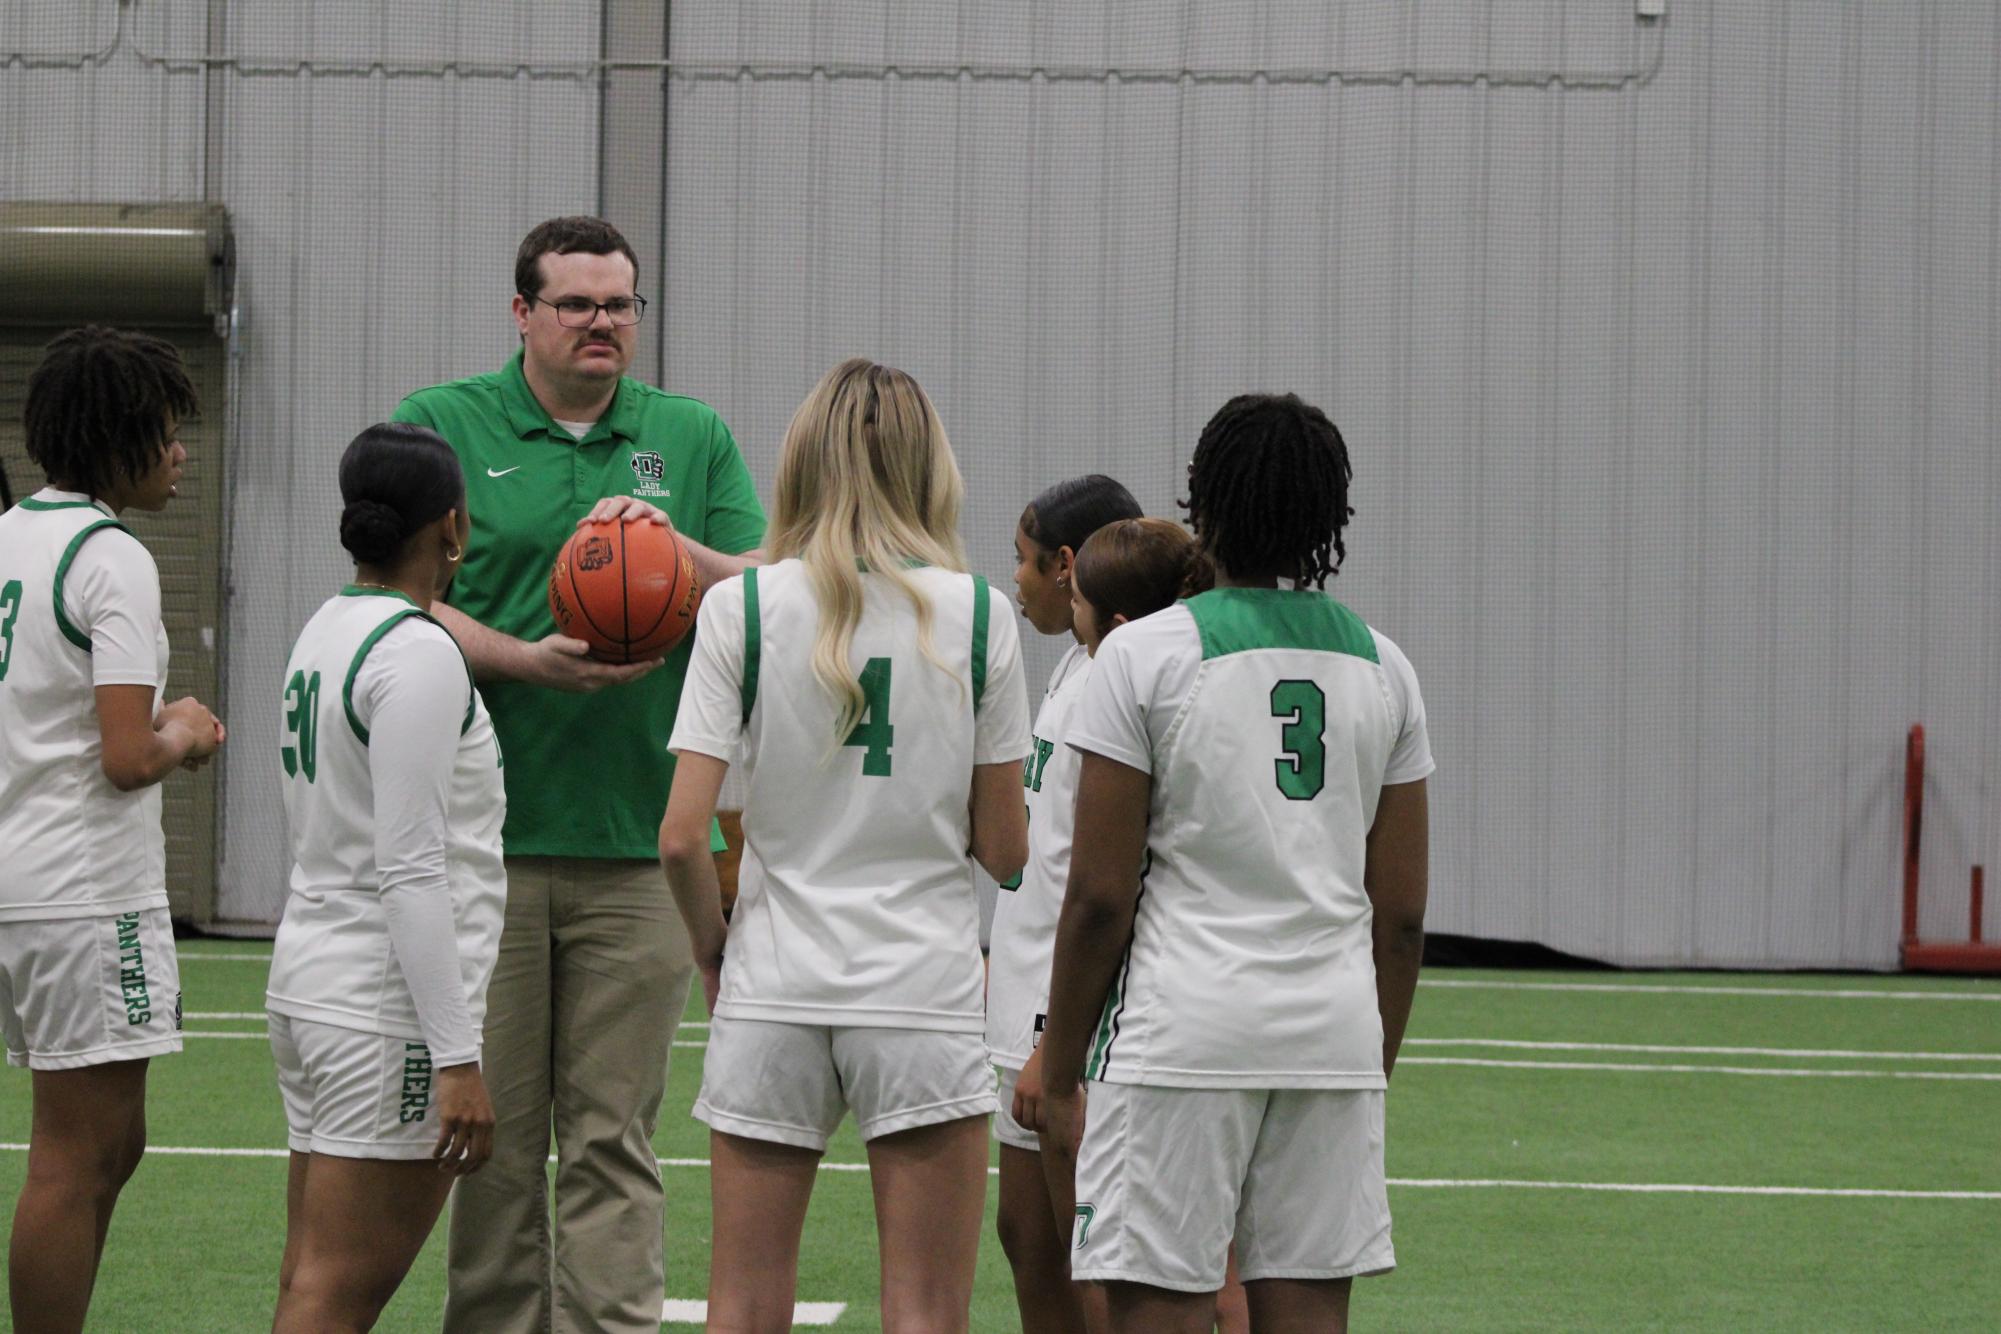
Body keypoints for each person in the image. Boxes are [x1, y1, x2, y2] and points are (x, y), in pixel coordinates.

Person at [390, 216, 766, 1333]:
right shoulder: (441, 423)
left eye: (621, 305)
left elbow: (763, 582)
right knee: (489, 1142)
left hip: (642, 849)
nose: (603, 323)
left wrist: (670, 549)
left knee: (614, 1138)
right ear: (523, 313)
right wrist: (527, 661)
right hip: (484, 847)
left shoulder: (689, 436)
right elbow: (394, 601)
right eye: (577, 304)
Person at [1039, 394, 1433, 1334]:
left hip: (1182, 1034)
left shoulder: (1141, 656)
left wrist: (1057, 1072)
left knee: (1159, 1312)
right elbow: (1404, 917)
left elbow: (1098, 897)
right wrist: (1364, 1063)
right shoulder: (1387, 667)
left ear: (1203, 502)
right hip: (1330, 1037)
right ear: (1327, 517)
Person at [659, 357, 1031, 1333]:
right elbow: (1005, 848)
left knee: (740, 1304)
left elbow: (680, 836)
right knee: (923, 1309)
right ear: (929, 468)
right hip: (921, 985)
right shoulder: (981, 611)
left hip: (774, 983)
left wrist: (713, 946)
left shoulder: (737, 607)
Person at [0, 326, 224, 1334]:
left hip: (22, 870)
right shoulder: (111, 556)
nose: (181, 451)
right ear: (122, 435)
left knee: (107, 1144)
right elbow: (128, 754)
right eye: (168, 430)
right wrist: (187, 726)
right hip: (82, 885)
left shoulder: (11, 536)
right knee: (76, 1154)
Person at [266, 423, 503, 1332]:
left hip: (313, 979)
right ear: (453, 528)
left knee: (308, 1277)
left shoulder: (327, 625)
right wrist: (454, 1056)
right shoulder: (418, 650)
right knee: (336, 1293)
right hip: (381, 1006)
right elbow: (410, 869)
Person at [990, 475, 1142, 1334]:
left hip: (1061, 1023)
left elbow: (1104, 884)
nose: (1011, 581)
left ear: (1064, 565)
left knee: (1088, 1250)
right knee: (1026, 1232)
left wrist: (1053, 1041)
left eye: (1019, 560)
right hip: (1023, 1002)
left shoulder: (1118, 679)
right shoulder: (1075, 663)